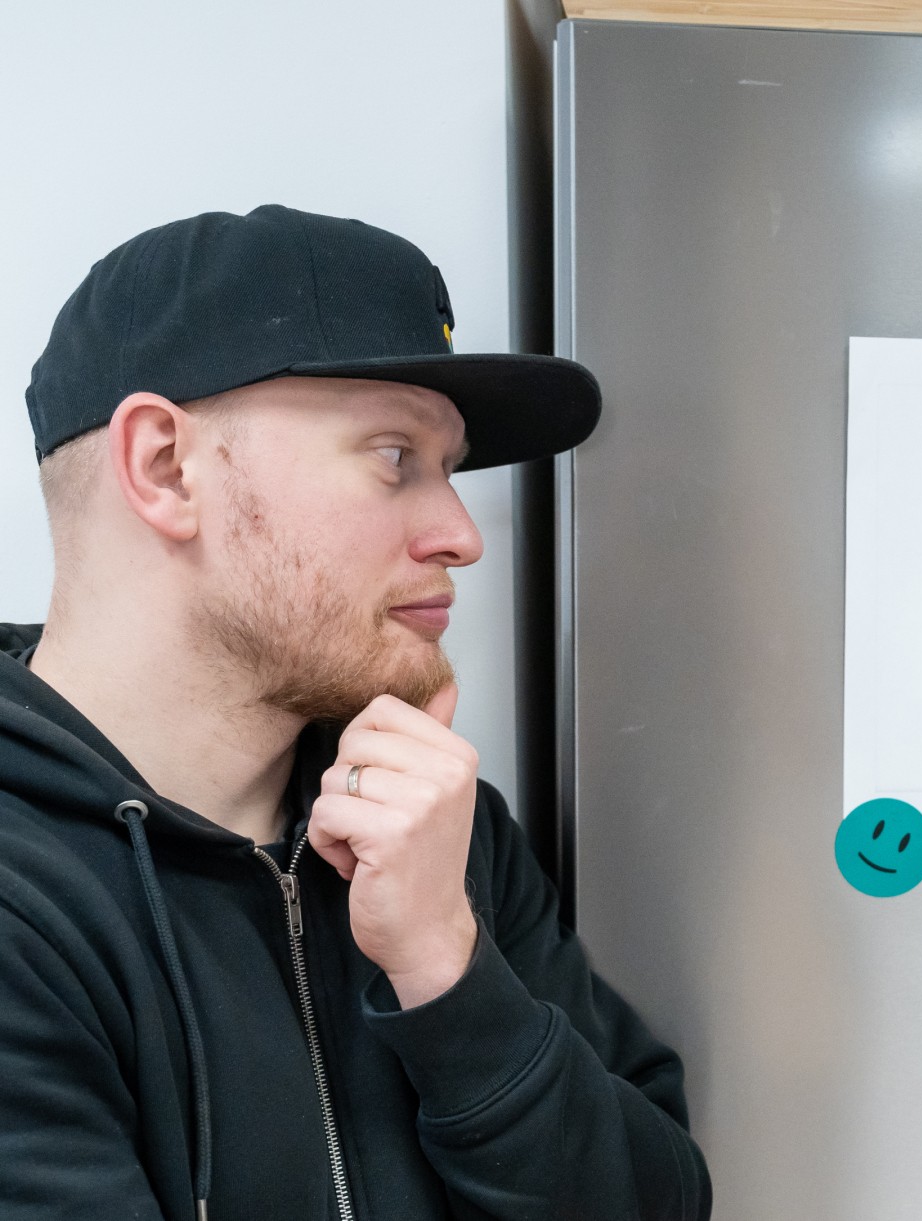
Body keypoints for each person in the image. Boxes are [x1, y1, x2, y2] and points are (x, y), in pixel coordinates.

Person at [0, 205, 711, 1220]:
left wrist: (445, 969)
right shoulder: (24, 903)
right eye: (392, 458)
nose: (462, 535)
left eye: (449, 469)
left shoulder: (436, 832)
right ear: (164, 466)